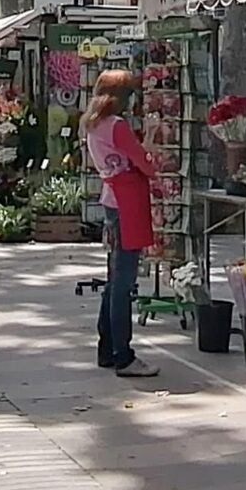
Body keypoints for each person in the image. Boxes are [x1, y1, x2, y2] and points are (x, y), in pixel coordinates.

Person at [81, 68, 159, 378]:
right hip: (128, 202)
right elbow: (145, 164)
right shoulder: (117, 126)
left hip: (112, 200)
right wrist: (150, 146)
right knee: (123, 282)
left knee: (114, 279)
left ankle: (107, 348)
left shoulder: (92, 125)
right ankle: (124, 354)